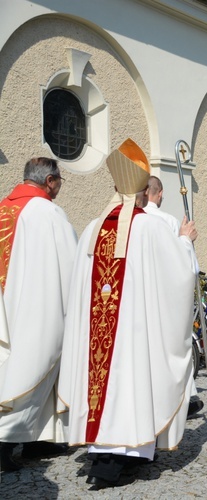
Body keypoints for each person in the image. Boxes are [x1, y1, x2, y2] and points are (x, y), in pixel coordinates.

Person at [57, 139, 198, 489]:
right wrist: (184, 240)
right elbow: (178, 276)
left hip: (96, 339)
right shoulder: (150, 228)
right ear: (141, 191)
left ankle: (102, 455)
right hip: (132, 335)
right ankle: (119, 459)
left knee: (108, 388)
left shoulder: (92, 229)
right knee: (131, 385)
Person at [0, 157, 77, 472]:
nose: (59, 186)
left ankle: (39, 439)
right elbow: (71, 265)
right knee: (33, 369)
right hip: (34, 306)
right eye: (59, 180)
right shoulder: (48, 213)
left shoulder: (4, 208)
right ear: (50, 180)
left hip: (6, 307)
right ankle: (5, 444)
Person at [142, 175, 203, 418]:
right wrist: (186, 240)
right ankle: (184, 398)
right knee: (173, 348)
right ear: (157, 193)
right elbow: (181, 266)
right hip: (162, 299)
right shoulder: (164, 221)